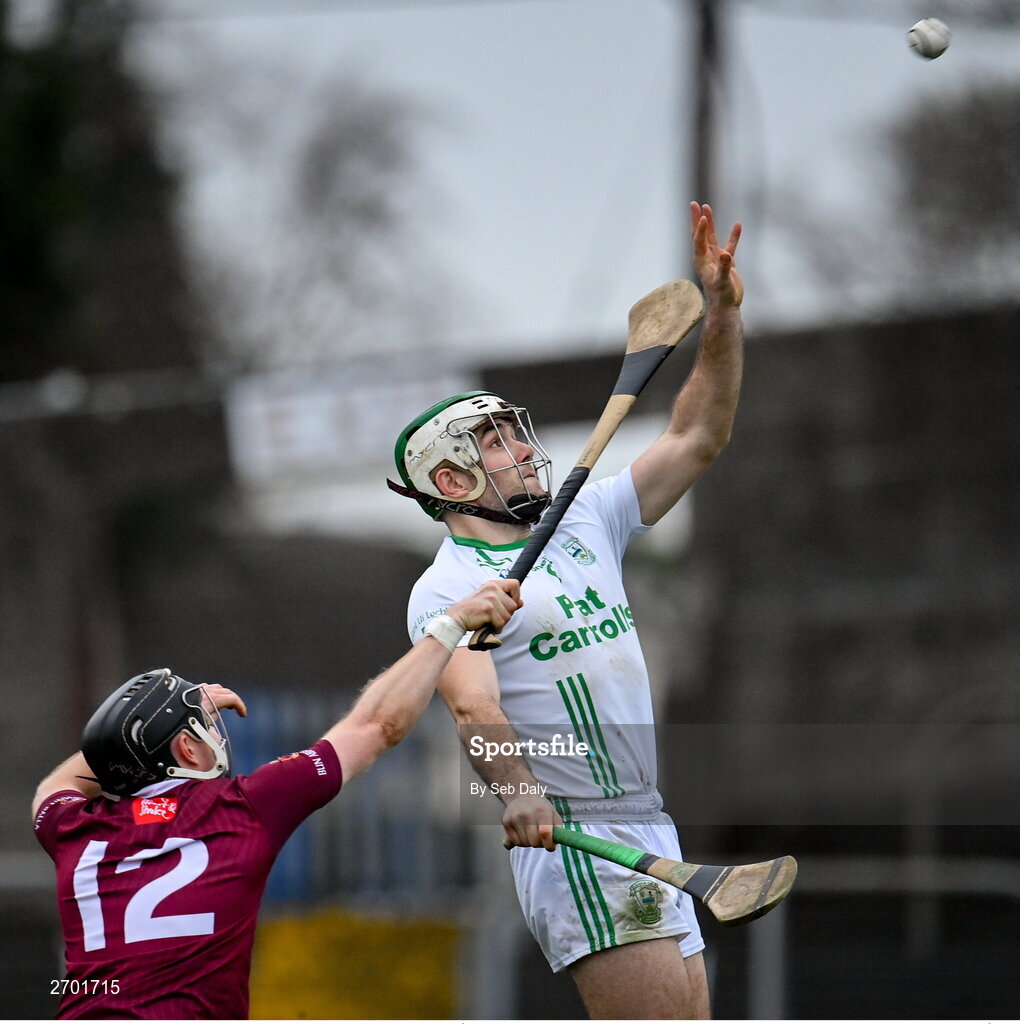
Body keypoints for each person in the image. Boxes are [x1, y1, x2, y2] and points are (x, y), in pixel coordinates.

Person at [388, 202, 743, 1019]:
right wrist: (516, 788)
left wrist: (722, 316)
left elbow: (699, 437)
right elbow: (472, 703)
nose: (523, 450)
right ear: (451, 484)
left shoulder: (587, 518)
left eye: (518, 433)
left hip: (648, 822)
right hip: (575, 832)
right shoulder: (445, 590)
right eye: (498, 445)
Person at [32, 579, 522, 1020]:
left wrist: (131, 738)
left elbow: (56, 787)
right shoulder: (243, 806)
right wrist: (451, 624)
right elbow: (377, 726)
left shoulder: (72, 828)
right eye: (202, 727)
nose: (215, 735)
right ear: (186, 749)